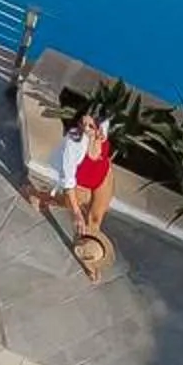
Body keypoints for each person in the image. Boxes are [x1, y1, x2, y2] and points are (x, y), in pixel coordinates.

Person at [64, 109, 115, 283]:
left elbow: (106, 117)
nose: (85, 128)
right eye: (82, 124)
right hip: (81, 183)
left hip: (103, 176)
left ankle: (91, 258)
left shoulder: (102, 130)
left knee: (96, 219)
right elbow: (68, 183)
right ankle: (84, 255)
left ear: (97, 128)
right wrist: (77, 213)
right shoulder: (74, 145)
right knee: (81, 222)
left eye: (90, 125)